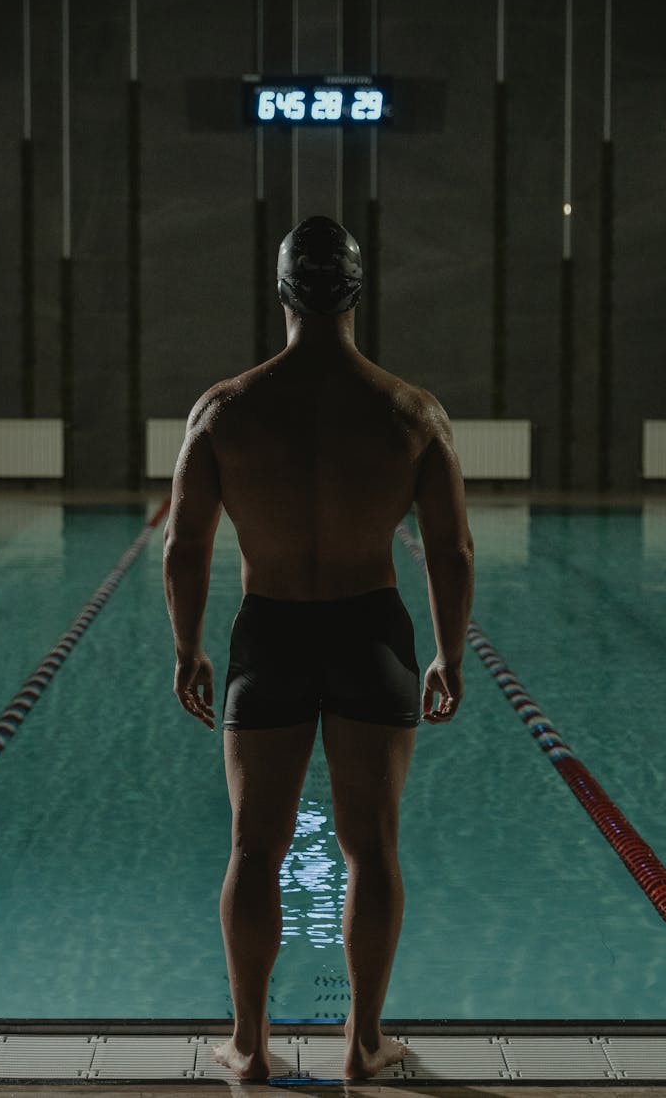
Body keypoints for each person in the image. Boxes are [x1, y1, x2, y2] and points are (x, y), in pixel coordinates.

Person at [163, 216, 474, 1081]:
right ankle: (363, 1045)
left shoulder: (226, 408)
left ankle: (252, 1047)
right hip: (371, 630)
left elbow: (184, 546)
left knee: (253, 847)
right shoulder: (409, 411)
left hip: (270, 633)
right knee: (371, 848)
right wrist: (449, 651)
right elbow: (451, 550)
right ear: (358, 291)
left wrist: (187, 645)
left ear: (282, 290)